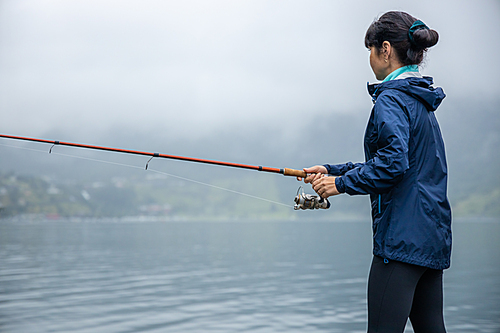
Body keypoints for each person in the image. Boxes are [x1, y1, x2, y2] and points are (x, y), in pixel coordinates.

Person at [298, 11, 451, 333]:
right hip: (430, 234)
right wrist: (331, 170)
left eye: (369, 50)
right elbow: (401, 162)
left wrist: (340, 183)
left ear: (384, 49)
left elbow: (393, 165)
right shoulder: (419, 99)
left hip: (401, 239)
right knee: (432, 328)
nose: (369, 58)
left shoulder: (392, 99)